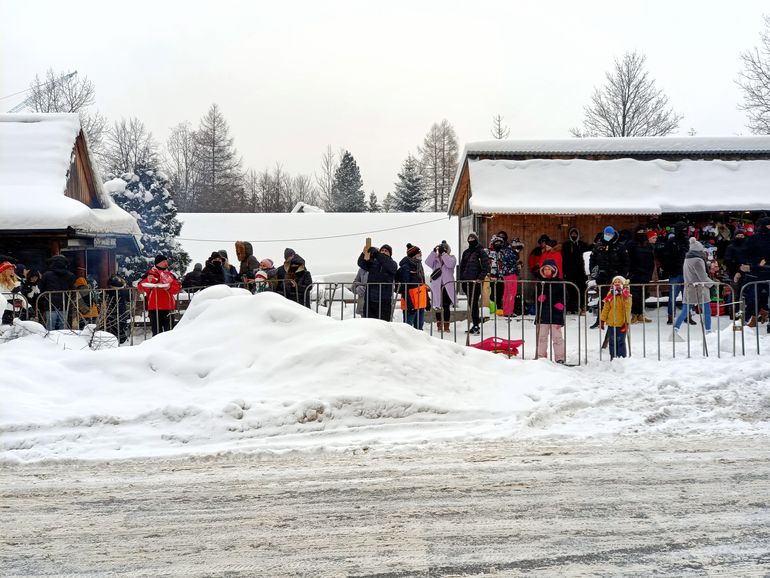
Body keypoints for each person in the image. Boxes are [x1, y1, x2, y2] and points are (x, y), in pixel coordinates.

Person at [673, 238, 714, 339]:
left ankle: (675, 329)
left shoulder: (687, 259)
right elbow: (703, 277)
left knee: (685, 311)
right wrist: (713, 284)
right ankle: (708, 332)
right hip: (700, 288)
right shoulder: (698, 260)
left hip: (689, 288)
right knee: (707, 310)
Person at [589, 226, 629, 328]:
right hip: (602, 277)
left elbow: (626, 262)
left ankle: (618, 320)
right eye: (606, 234)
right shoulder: (598, 246)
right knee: (603, 299)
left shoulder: (620, 247)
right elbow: (592, 260)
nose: (608, 236)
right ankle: (600, 319)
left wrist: (622, 276)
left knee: (617, 300)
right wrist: (594, 273)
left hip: (616, 278)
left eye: (610, 234)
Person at [137, 254, 181, 336]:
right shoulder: (149, 274)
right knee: (156, 333)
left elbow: (177, 288)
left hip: (168, 307)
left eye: (166, 261)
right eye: (164, 261)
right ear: (158, 263)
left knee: (170, 333)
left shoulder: (170, 275)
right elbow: (140, 287)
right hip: (154, 308)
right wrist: (148, 281)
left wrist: (169, 287)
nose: (166, 263)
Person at [535, 259, 566, 363]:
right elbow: (534, 295)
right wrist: (539, 298)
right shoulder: (540, 282)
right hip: (543, 314)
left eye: (549, 269)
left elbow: (566, 295)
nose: (547, 271)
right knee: (542, 337)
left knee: (557, 338)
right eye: (545, 269)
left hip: (556, 314)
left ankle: (560, 358)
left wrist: (561, 303)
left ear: (554, 270)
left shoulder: (560, 282)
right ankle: (541, 357)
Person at [459, 232, 490, 335]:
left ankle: (476, 325)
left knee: (474, 303)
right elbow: (462, 266)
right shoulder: (466, 252)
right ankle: (474, 324)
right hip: (467, 282)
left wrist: (480, 278)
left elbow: (486, 267)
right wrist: (461, 279)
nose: (471, 241)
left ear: (476, 240)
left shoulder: (481, 252)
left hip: (476, 282)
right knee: (471, 304)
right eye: (469, 239)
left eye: (473, 239)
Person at [357, 243, 397, 321]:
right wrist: (364, 253)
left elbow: (390, 266)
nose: (383, 252)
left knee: (384, 326)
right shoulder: (373, 263)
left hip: (384, 302)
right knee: (369, 325)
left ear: (390, 254)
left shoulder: (392, 264)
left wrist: (378, 253)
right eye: (382, 250)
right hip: (370, 301)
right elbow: (361, 263)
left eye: (386, 251)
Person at [662, 221, 692, 325]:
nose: (684, 232)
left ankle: (687, 315)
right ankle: (671, 316)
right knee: (672, 296)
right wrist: (670, 269)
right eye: (682, 230)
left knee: (687, 295)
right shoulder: (671, 242)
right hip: (675, 272)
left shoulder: (688, 242)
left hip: (686, 272)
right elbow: (665, 257)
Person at [743, 216, 770, 328]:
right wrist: (755, 263)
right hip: (756, 273)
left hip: (768, 272)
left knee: (766, 296)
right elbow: (747, 254)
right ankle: (752, 318)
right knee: (754, 297)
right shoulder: (753, 238)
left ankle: (764, 313)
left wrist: (767, 260)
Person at [37, 255, 76, 330]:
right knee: (63, 326)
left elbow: (41, 288)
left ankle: (50, 341)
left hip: (50, 303)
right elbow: (73, 289)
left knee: (51, 326)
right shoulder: (70, 275)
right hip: (65, 303)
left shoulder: (47, 275)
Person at [626, 226, 657, 323]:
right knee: (634, 296)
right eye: (639, 231)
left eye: (643, 231)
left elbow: (651, 259)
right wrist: (629, 273)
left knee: (643, 295)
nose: (641, 233)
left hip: (645, 274)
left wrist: (650, 272)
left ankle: (640, 314)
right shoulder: (630, 244)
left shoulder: (647, 244)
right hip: (634, 274)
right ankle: (634, 315)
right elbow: (628, 259)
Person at [426, 240, 457, 332]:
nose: (441, 251)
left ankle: (446, 326)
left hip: (447, 285)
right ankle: (439, 325)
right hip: (437, 286)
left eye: (444, 249)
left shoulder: (452, 258)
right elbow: (427, 262)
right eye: (441, 250)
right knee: (437, 306)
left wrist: (444, 254)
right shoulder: (435, 259)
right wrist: (433, 252)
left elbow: (450, 264)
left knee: (446, 306)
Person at [600, 275, 632, 359]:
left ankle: (621, 358)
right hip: (611, 323)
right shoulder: (610, 294)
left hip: (622, 323)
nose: (617, 283)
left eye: (619, 282)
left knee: (620, 341)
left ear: (623, 284)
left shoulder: (626, 295)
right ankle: (613, 357)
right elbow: (606, 308)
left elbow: (627, 309)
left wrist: (627, 322)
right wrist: (602, 319)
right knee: (612, 341)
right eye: (615, 282)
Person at [397, 244, 428, 330]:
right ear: (413, 255)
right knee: (408, 329)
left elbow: (423, 284)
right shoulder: (405, 267)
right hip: (410, 303)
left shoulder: (419, 265)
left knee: (419, 328)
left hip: (420, 302)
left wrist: (427, 301)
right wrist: (409, 304)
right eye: (419, 253)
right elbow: (404, 287)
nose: (421, 254)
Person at [561, 227, 590, 314]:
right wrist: (564, 272)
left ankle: (581, 307)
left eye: (575, 234)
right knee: (570, 290)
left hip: (581, 273)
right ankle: (570, 308)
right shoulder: (566, 245)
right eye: (572, 234)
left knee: (581, 290)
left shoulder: (582, 245)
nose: (574, 235)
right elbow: (564, 260)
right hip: (569, 272)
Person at [104, 275, 131, 344]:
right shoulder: (124, 290)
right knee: (121, 324)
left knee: (113, 325)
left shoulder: (109, 291)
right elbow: (128, 299)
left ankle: (117, 340)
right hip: (122, 310)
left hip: (113, 310)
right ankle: (122, 340)